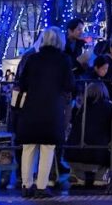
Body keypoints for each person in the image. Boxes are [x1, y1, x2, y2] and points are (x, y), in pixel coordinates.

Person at [15, 27, 74, 198]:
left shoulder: (33, 58)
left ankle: (26, 185)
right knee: (47, 149)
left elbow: (22, 82)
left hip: (31, 107)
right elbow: (69, 85)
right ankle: (41, 186)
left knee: (29, 147)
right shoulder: (63, 60)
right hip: (52, 108)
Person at [65, 80, 112, 186]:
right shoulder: (109, 107)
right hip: (99, 155)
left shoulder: (81, 109)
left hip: (74, 155)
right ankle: (102, 176)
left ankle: (78, 175)